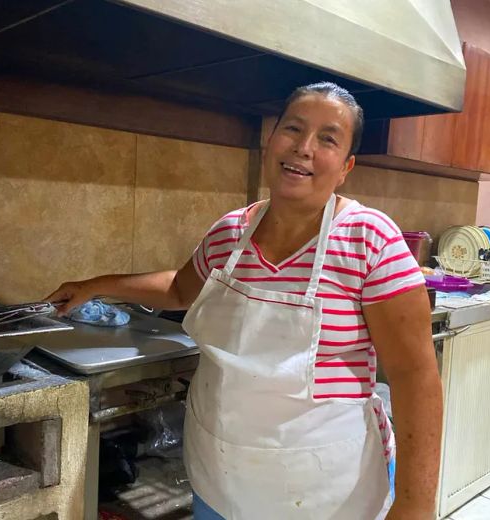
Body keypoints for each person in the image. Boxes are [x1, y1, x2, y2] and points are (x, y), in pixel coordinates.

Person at [47, 82, 442, 520]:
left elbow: (415, 378)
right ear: (270, 139)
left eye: (327, 138)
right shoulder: (230, 232)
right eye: (293, 129)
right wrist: (96, 284)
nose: (304, 148)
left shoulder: (371, 240)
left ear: (346, 166)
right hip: (221, 480)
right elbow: (180, 289)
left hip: (324, 492)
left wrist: (414, 505)